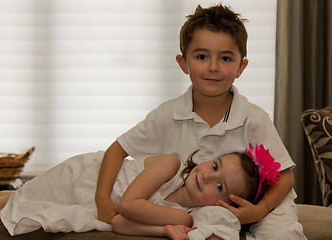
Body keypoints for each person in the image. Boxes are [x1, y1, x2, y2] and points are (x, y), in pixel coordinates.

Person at [95, 4, 306, 240]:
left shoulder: (253, 118)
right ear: (183, 63)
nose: (213, 67)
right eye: (202, 56)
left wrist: (259, 210)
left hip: (265, 204)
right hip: (203, 208)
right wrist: (102, 199)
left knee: (280, 235)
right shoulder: (168, 114)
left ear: (241, 67)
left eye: (225, 58)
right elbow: (117, 149)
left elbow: (285, 176)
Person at [0, 145, 272, 240]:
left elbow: (119, 224)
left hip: (92, 204)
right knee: (12, 204)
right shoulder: (171, 165)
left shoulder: (186, 217)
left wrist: (166, 231)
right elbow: (128, 204)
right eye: (215, 165)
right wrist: (172, 218)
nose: (207, 175)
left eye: (219, 186)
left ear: (220, 204)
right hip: (88, 179)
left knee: (17, 199)